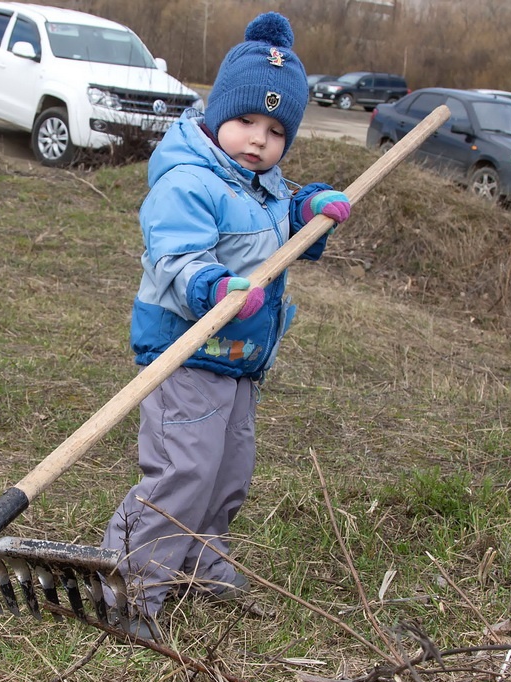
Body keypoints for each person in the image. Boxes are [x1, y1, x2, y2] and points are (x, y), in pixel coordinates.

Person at [102, 11, 350, 639]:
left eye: (275, 130)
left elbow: (278, 222)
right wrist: (215, 287)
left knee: (229, 468)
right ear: (216, 115)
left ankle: (200, 559)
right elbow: (177, 256)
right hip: (186, 351)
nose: (258, 140)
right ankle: (130, 588)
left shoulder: (262, 184)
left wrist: (308, 207)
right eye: (245, 122)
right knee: (183, 471)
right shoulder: (188, 179)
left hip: (240, 356)